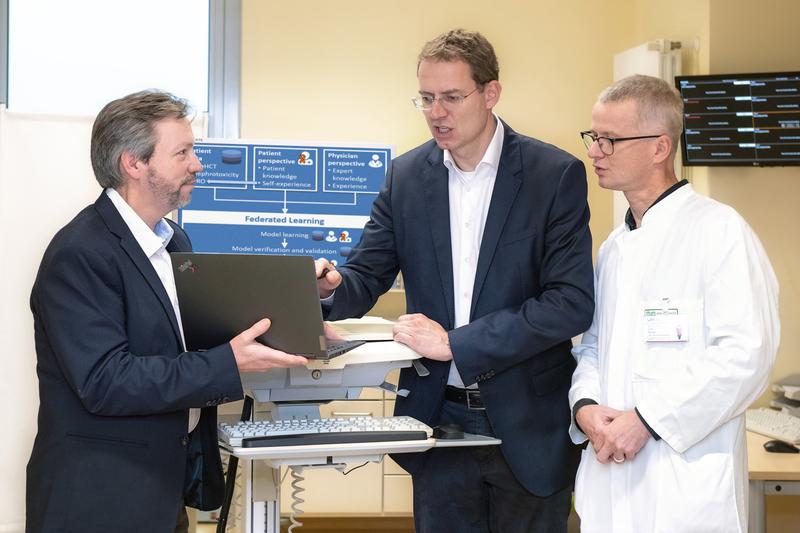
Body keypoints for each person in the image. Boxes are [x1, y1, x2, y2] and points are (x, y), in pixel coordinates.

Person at [316, 29, 594, 532]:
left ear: (491, 94)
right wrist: (331, 286)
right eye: (426, 98)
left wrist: (456, 343)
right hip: (437, 421)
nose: (435, 112)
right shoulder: (406, 177)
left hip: (529, 425)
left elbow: (570, 303)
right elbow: (365, 273)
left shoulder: (551, 176)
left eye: (450, 97)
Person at [26, 90, 309, 533]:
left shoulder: (175, 243)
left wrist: (297, 322)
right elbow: (105, 381)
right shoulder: (79, 253)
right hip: (99, 498)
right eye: (182, 152)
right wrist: (227, 364)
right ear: (133, 164)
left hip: (163, 488)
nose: (197, 164)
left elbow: (188, 340)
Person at [569, 75, 780, 533]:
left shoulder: (719, 231)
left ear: (659, 147)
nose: (594, 151)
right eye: (593, 137)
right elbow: (593, 347)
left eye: (609, 139)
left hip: (684, 486)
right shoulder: (615, 247)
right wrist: (584, 408)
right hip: (611, 477)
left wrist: (648, 420)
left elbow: (746, 354)